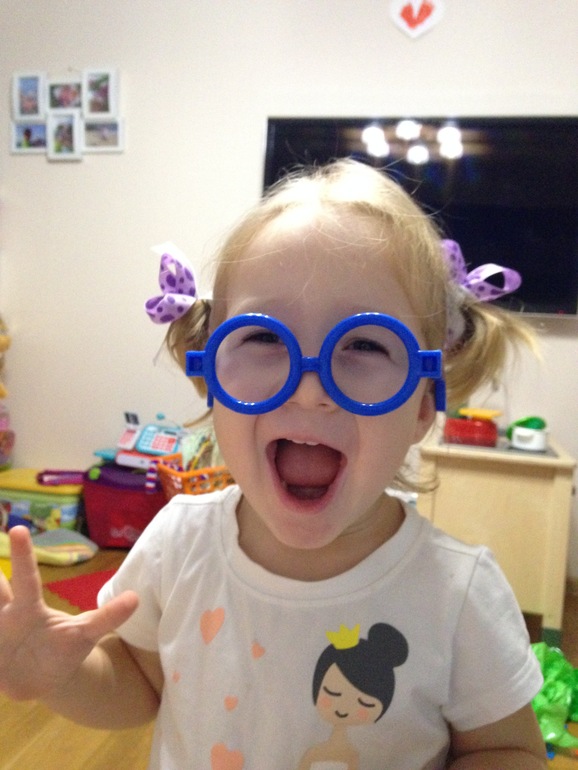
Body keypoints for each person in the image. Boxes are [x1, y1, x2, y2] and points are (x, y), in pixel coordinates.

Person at [0, 160, 546, 769]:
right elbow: (139, 683)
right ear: (211, 375)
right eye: (263, 338)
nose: (309, 389)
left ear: (422, 404)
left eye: (364, 344)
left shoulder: (458, 594)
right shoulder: (179, 544)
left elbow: (508, 750)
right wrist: (56, 676)